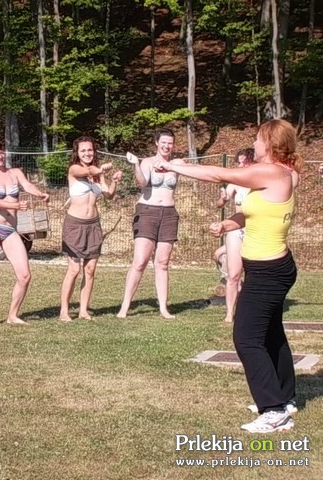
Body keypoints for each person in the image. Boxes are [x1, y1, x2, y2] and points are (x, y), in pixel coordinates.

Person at [155, 119, 302, 434]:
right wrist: (228, 224)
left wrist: (176, 166)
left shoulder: (271, 172)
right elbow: (259, 212)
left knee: (246, 338)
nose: (254, 143)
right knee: (271, 334)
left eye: (258, 138)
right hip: (274, 268)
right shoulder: (285, 173)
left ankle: (274, 410)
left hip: (267, 273)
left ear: (270, 143)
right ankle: (285, 397)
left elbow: (219, 174)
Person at [0, 138, 50, 328]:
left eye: (1, 152)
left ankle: (13, 315)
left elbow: (27, 186)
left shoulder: (15, 172)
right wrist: (16, 205)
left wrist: (40, 194)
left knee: (25, 275)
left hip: (10, 229)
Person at [117, 128, 184, 319]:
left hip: (169, 213)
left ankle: (163, 308)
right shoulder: (147, 162)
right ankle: (125, 306)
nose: (166, 146)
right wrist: (136, 165)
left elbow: (195, 171)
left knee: (162, 263)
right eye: (163, 142)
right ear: (156, 143)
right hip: (147, 211)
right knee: (140, 261)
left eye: (170, 143)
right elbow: (142, 183)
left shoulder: (177, 163)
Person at [59, 136, 122, 321]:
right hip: (74, 225)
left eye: (90, 150)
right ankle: (64, 311)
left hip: (93, 224)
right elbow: (88, 170)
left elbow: (108, 195)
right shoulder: (74, 169)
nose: (87, 153)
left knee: (90, 269)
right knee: (74, 269)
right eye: (83, 150)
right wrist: (101, 169)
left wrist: (114, 181)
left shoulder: (98, 173)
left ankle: (83, 310)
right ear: (77, 153)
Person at [212, 148, 256, 322]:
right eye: (239, 162)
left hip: (255, 230)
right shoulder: (236, 182)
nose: (241, 165)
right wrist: (223, 198)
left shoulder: (259, 182)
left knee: (253, 274)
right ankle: (230, 313)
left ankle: (250, 310)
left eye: (244, 162)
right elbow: (219, 204)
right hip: (236, 229)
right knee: (233, 274)